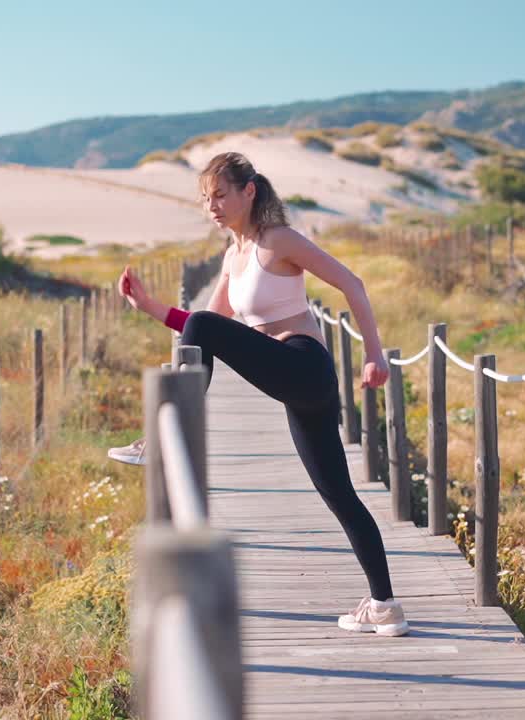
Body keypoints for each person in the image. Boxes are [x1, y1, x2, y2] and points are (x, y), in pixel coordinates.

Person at [112, 151, 408, 636]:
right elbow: (200, 329)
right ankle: (384, 606)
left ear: (249, 192)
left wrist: (374, 355)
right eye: (206, 198)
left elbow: (352, 284)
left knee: (340, 494)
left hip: (305, 365)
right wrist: (146, 305)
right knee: (338, 494)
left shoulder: (279, 240)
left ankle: (164, 438)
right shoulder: (234, 256)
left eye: (221, 195)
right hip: (293, 384)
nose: (213, 206)